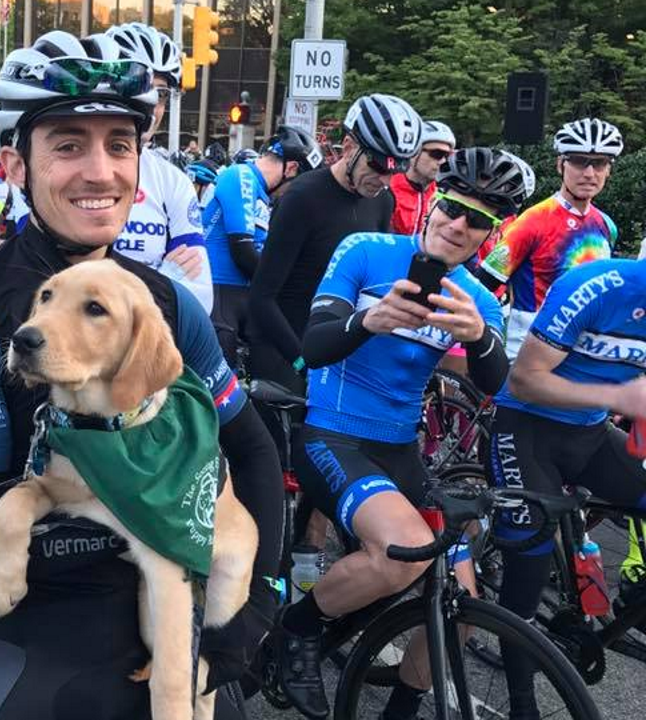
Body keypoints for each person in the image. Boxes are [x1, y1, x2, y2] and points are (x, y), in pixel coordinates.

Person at [0, 30, 283, 719]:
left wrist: (254, 606)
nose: (100, 171)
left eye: (119, 145)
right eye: (68, 145)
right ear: (15, 165)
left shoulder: (160, 302)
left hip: (166, 601)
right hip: (27, 629)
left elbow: (252, 448)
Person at [275, 147, 528, 719]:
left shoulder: (476, 297)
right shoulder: (366, 251)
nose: (458, 226)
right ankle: (297, 629)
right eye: (453, 208)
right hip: (331, 435)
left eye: (478, 220)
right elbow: (313, 347)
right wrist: (370, 319)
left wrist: (481, 336)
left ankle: (404, 707)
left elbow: (496, 384)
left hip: (399, 450)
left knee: (461, 602)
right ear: (432, 204)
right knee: (401, 556)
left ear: (490, 233)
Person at [487, 255, 646, 716]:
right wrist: (617, 396)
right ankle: (521, 702)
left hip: (592, 435)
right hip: (526, 429)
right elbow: (524, 380)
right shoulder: (596, 286)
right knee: (529, 568)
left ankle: (615, 614)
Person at [248, 93, 421, 391]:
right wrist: (302, 360)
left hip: (337, 349)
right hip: (286, 348)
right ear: (350, 147)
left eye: (396, 171)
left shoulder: (382, 202)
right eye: (378, 167)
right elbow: (262, 297)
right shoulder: (302, 197)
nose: (386, 180)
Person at [477, 117, 623, 359]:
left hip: (583, 351)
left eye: (599, 164)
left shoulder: (606, 225)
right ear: (560, 165)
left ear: (608, 170)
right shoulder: (532, 221)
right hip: (529, 352)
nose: (589, 173)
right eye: (578, 162)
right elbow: (482, 284)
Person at [106, 22, 213, 312]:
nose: (151, 102)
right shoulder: (65, 166)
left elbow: (200, 301)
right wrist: (162, 278)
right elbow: (46, 277)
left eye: (161, 94)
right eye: (139, 85)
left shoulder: (172, 181)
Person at [203, 125, 322, 365]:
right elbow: (243, 252)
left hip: (241, 296)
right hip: (219, 294)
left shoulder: (262, 193)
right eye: (300, 184)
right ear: (291, 168)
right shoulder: (241, 176)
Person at [388, 120, 455, 237]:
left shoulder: (443, 195)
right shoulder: (387, 190)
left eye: (447, 156)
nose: (443, 161)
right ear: (413, 153)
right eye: (437, 154)